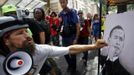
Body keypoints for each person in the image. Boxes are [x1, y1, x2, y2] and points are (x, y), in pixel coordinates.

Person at [0, 16, 107, 75]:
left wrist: (94, 46)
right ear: (6, 40)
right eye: (20, 33)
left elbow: (70, 49)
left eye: (26, 31)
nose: (28, 36)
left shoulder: (39, 50)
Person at [58, 0, 80, 72]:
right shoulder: (60, 14)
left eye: (63, 2)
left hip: (72, 36)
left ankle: (74, 68)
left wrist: (76, 38)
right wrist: (60, 22)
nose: (62, 4)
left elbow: (77, 26)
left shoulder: (72, 13)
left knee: (73, 54)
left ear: (67, 2)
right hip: (64, 37)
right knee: (65, 52)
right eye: (61, 2)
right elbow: (60, 26)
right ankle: (70, 65)